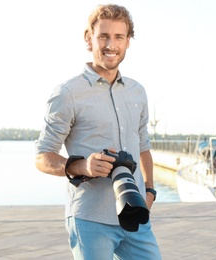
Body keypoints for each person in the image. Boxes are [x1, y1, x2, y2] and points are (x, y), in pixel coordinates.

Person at [35, 4, 161, 259]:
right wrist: (82, 167)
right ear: (88, 38)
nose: (110, 45)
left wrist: (149, 191)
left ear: (128, 42)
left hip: (135, 215)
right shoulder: (67, 93)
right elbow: (42, 156)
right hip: (90, 219)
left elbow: (143, 146)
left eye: (119, 37)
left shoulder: (137, 91)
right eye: (103, 36)